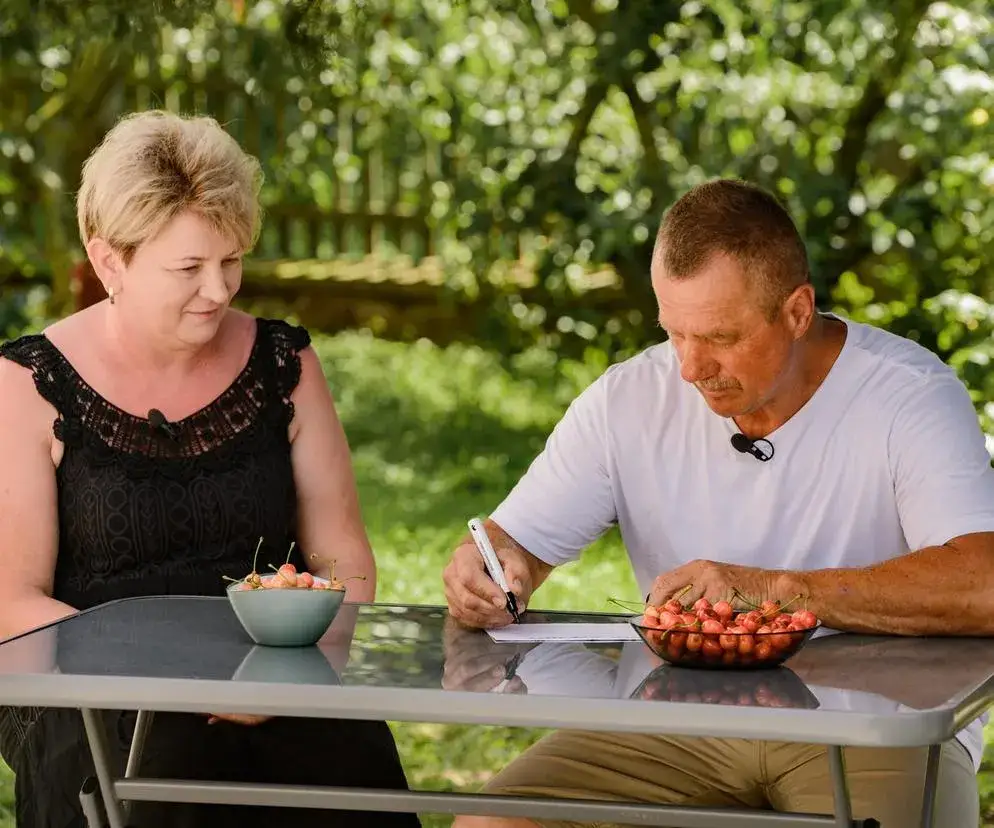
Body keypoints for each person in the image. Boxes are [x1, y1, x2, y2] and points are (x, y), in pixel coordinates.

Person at [442, 178, 994, 827]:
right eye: (674, 333)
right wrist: (489, 570)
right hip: (671, 721)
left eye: (720, 338)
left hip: (872, 726)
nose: (688, 367)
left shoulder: (909, 395)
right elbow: (513, 547)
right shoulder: (629, 399)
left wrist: (777, 592)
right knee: (493, 823)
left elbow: (983, 582)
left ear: (796, 311)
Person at [0, 110, 420, 828]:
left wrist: (290, 672)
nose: (220, 290)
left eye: (231, 261)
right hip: (92, 687)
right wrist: (178, 682)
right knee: (173, 778)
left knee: (347, 775)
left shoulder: (284, 364)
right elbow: (12, 605)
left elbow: (342, 557)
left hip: (275, 672)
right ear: (109, 263)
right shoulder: (27, 382)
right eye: (189, 268)